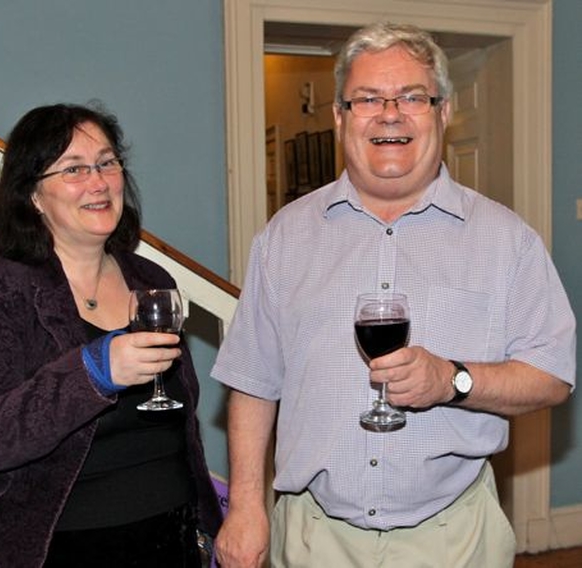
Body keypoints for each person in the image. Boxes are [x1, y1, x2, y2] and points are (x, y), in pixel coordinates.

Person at [211, 22, 576, 568]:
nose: (390, 114)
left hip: (454, 538)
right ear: (340, 116)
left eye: (412, 97)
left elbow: (551, 376)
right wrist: (244, 507)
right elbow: (252, 380)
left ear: (443, 111)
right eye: (367, 99)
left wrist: (451, 379)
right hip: (314, 539)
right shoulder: (285, 237)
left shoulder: (508, 240)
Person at [0, 102, 222, 567]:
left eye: (107, 163)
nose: (98, 182)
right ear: (33, 195)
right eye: (73, 169)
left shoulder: (148, 279)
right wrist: (93, 372)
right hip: (60, 547)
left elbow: (182, 425)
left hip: (170, 537)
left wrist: (209, 522)